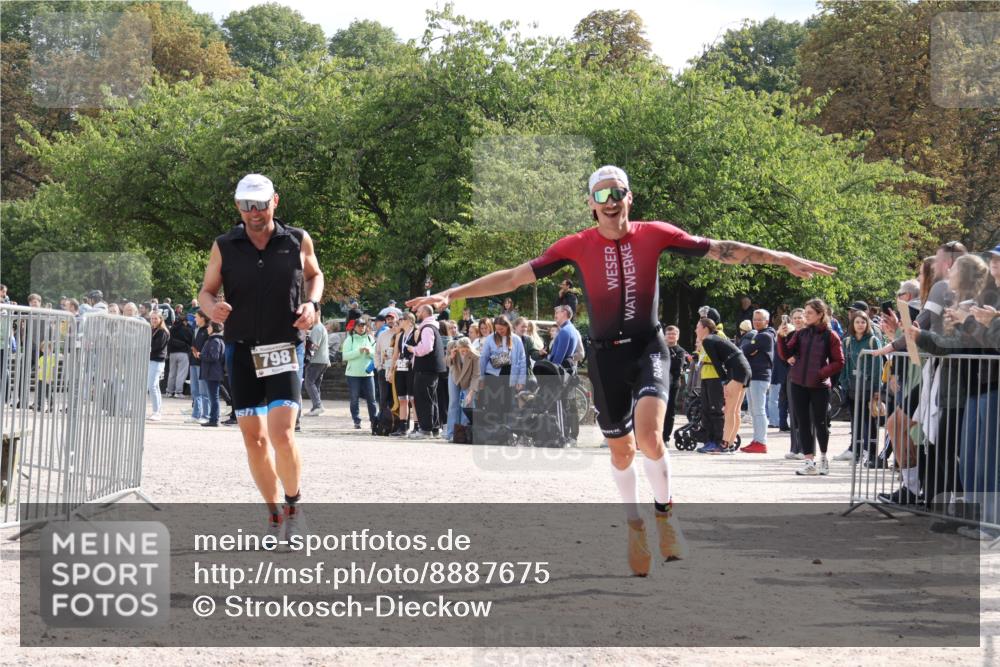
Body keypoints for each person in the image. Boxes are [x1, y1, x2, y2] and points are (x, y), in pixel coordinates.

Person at [408, 164, 834, 574]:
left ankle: (664, 514)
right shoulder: (575, 245)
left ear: (629, 197)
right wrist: (453, 294)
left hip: (648, 348)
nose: (610, 201)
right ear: (591, 204)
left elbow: (722, 250)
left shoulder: (656, 234)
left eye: (617, 192)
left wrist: (781, 258)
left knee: (649, 437)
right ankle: (635, 527)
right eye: (601, 194)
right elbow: (514, 278)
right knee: (622, 451)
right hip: (605, 355)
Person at [198, 173, 324, 539]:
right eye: (246, 206)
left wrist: (312, 304)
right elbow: (207, 291)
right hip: (241, 348)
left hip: (283, 345)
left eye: (261, 205)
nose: (254, 212)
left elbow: (315, 275)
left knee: (282, 434)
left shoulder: (297, 239)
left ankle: (294, 506)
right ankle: (273, 515)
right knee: (254, 439)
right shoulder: (224, 245)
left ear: (275, 202)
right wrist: (211, 309)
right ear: (238, 207)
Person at [777, 298, 844, 476]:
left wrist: (820, 374)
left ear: (820, 314)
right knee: (803, 423)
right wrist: (781, 337)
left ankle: (823, 458)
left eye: (809, 313)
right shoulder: (801, 334)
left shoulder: (831, 335)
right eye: (805, 312)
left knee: (821, 423)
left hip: (819, 386)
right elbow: (786, 355)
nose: (805, 316)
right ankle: (809, 461)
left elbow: (839, 362)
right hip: (798, 383)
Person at [695, 318, 752, 454]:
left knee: (729, 411)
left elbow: (716, 363)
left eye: (697, 327)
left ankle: (724, 445)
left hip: (737, 370)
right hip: (744, 368)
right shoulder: (716, 337)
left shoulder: (707, 340)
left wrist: (724, 382)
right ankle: (730, 444)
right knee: (735, 411)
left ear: (705, 328)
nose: (695, 330)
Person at [836, 310, 883, 465]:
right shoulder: (847, 341)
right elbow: (844, 363)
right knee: (855, 421)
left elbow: (878, 366)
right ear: (853, 324)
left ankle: (871, 454)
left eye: (863, 322)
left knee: (869, 421)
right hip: (852, 386)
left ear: (867, 323)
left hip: (868, 387)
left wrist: (876, 389)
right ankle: (856, 452)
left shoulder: (873, 341)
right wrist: (844, 382)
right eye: (857, 322)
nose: (860, 325)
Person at [476, 315, 526, 444]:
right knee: (493, 406)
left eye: (502, 329)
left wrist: (521, 380)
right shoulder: (490, 339)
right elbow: (483, 359)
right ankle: (493, 435)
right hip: (493, 377)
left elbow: (522, 360)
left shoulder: (516, 340)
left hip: (510, 378)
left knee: (507, 406)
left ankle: (505, 435)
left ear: (507, 327)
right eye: (497, 329)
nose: (499, 331)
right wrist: (481, 378)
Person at [739, 309, 775, 454]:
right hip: (753, 376)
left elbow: (745, 349)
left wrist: (750, 350)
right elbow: (746, 350)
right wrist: (750, 350)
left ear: (767, 321)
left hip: (759, 376)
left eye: (760, 319)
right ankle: (756, 439)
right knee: (754, 410)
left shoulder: (764, 336)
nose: (756, 322)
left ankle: (761, 442)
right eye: (755, 319)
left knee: (758, 410)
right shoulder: (759, 335)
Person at [408, 305, 446, 439]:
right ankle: (434, 428)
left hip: (425, 369)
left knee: (423, 399)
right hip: (431, 369)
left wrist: (413, 349)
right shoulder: (433, 327)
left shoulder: (427, 328)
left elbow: (427, 348)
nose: (417, 313)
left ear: (424, 312)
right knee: (431, 399)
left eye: (418, 311)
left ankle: (425, 429)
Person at [341, 317, 378, 432]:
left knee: (372, 399)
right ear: (355, 327)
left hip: (368, 373)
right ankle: (356, 421)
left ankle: (374, 421)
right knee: (354, 398)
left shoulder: (370, 338)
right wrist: (358, 351)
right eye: (359, 326)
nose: (361, 328)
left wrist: (369, 352)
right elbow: (345, 356)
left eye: (363, 326)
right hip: (353, 374)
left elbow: (376, 355)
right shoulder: (350, 339)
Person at [445, 336, 480, 442]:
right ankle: (451, 433)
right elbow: (446, 363)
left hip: (468, 380)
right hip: (454, 376)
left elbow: (476, 376)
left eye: (466, 350)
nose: (464, 352)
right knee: (453, 403)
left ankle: (464, 434)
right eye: (462, 350)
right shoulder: (451, 346)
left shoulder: (475, 356)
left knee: (467, 404)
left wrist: (471, 393)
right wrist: (451, 357)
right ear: (458, 348)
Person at [388, 312, 417, 436]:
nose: (399, 321)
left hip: (411, 369)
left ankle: (416, 426)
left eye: (402, 319)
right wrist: (391, 371)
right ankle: (403, 427)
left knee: (413, 399)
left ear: (409, 321)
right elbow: (395, 354)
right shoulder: (399, 335)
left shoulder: (416, 333)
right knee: (402, 398)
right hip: (400, 368)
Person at [661, 325, 689, 444]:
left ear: (678, 336)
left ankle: (665, 438)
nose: (671, 336)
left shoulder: (680, 351)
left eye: (674, 334)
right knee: (657, 410)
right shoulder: (659, 348)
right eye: (669, 334)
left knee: (670, 411)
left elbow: (677, 367)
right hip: (660, 383)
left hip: (673, 384)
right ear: (664, 335)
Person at [303, 311, 331, 416]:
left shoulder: (317, 328)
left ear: (317, 314)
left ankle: (318, 406)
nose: (309, 316)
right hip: (323, 360)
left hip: (316, 360)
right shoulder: (321, 328)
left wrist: (305, 357)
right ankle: (317, 407)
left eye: (311, 314)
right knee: (315, 384)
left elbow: (313, 347)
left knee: (309, 383)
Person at [199, 322, 226, 427]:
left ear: (214, 328)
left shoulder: (215, 341)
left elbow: (214, 357)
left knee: (213, 398)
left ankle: (214, 420)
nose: (207, 328)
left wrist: (201, 355)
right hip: (213, 372)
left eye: (209, 326)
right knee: (213, 397)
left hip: (213, 373)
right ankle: (213, 419)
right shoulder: (215, 340)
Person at [147, 310, 170, 421]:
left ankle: (157, 412)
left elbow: (157, 347)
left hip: (157, 361)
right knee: (155, 386)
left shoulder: (162, 331)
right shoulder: (152, 330)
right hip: (152, 360)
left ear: (161, 319)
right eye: (152, 318)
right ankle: (157, 411)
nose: (154, 320)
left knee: (152, 386)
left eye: (156, 318)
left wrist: (147, 349)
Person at [166, 313, 193, 398]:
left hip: (172, 353)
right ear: (185, 321)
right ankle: (178, 392)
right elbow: (191, 339)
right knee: (181, 373)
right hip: (183, 353)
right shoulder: (187, 329)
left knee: (172, 373)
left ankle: (169, 391)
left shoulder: (172, 329)